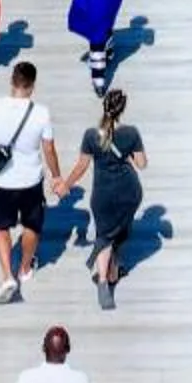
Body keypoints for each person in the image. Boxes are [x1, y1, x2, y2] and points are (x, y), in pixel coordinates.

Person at [0, 60, 61, 305]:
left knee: (0, 227)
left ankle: (7, 275)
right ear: (32, 86)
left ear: (11, 81)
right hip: (31, 180)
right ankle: (24, 268)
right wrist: (56, 176)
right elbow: (49, 149)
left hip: (3, 181)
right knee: (32, 226)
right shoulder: (41, 112)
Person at [53, 86, 147, 309]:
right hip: (129, 193)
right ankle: (114, 272)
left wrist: (66, 184)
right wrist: (129, 154)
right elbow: (142, 164)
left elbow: (82, 166)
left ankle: (104, 282)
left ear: (104, 107)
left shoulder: (91, 135)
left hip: (103, 194)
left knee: (104, 236)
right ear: (122, 109)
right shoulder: (132, 133)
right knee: (118, 233)